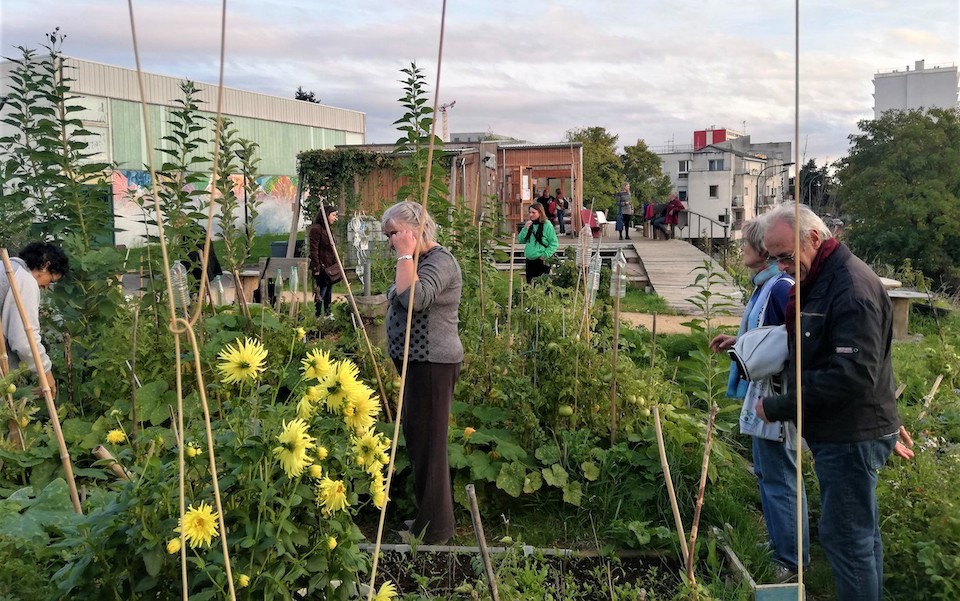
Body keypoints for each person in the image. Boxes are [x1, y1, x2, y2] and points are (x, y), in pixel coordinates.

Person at [756, 203, 901, 600]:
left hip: (851, 433)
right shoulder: (823, 279)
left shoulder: (850, 289)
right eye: (774, 258)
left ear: (815, 239)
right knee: (859, 535)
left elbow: (851, 376)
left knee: (846, 539)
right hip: (844, 429)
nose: (781, 267)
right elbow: (816, 345)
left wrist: (780, 406)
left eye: (786, 256)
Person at [709, 217, 808, 580]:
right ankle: (783, 544)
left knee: (781, 476)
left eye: (746, 246)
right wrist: (740, 343)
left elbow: (788, 343)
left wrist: (751, 350)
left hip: (777, 396)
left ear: (763, 251)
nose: (742, 251)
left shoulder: (781, 287)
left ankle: (791, 561)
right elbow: (770, 336)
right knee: (770, 472)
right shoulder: (767, 286)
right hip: (768, 394)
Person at [382, 201, 463, 545]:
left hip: (433, 366)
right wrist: (406, 258)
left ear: (412, 231)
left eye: (394, 234)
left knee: (429, 446)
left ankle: (435, 531)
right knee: (420, 444)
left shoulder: (440, 262)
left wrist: (404, 256)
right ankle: (430, 518)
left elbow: (414, 299)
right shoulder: (420, 262)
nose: (390, 242)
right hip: (420, 365)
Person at [0, 242, 68, 399]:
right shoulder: (24, 280)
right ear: (45, 266)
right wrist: (45, 373)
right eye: (50, 281)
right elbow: (24, 340)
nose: (45, 288)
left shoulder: (5, 268)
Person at [308, 206, 340, 318]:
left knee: (329, 290)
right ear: (326, 215)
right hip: (321, 266)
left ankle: (327, 313)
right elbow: (313, 249)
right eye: (333, 215)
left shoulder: (328, 229)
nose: (335, 218)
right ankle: (317, 315)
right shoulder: (316, 229)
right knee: (321, 290)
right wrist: (316, 267)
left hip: (330, 265)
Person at [518, 202, 559, 284]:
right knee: (530, 284)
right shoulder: (530, 225)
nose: (531, 215)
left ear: (540, 213)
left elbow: (554, 243)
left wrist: (545, 255)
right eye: (530, 212)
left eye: (533, 212)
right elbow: (521, 240)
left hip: (541, 259)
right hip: (530, 259)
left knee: (542, 284)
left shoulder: (547, 225)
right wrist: (525, 228)